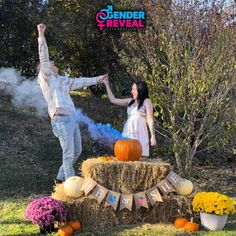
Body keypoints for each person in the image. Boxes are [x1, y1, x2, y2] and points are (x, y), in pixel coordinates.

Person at [37, 23, 107, 182]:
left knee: (77, 151)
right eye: (52, 63)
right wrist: (41, 36)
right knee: (68, 153)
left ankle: (60, 180)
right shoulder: (46, 78)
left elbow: (80, 81)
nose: (54, 64)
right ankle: (70, 185)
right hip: (61, 120)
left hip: (72, 119)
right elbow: (44, 57)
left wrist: (98, 79)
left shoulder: (62, 80)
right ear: (45, 67)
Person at [103, 78, 157, 157]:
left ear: (140, 89)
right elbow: (113, 100)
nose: (132, 92)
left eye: (134, 89)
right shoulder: (130, 101)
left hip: (139, 132)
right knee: (125, 153)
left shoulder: (146, 101)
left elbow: (150, 119)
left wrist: (153, 135)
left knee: (138, 154)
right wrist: (106, 84)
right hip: (128, 131)